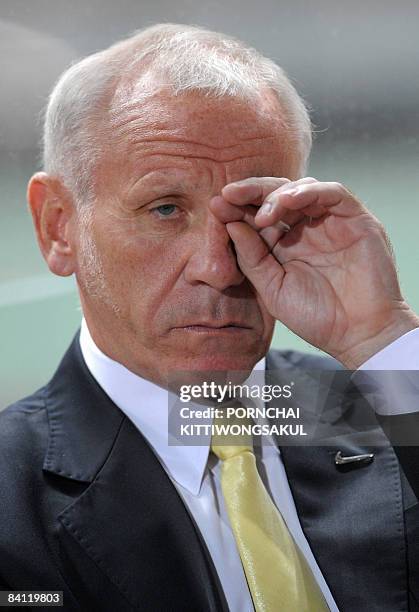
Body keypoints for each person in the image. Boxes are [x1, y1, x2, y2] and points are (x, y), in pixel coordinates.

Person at [0, 22, 418, 612]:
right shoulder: (10, 498)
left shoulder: (381, 404)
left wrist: (383, 336)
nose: (220, 268)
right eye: (166, 209)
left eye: (252, 211)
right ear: (58, 227)